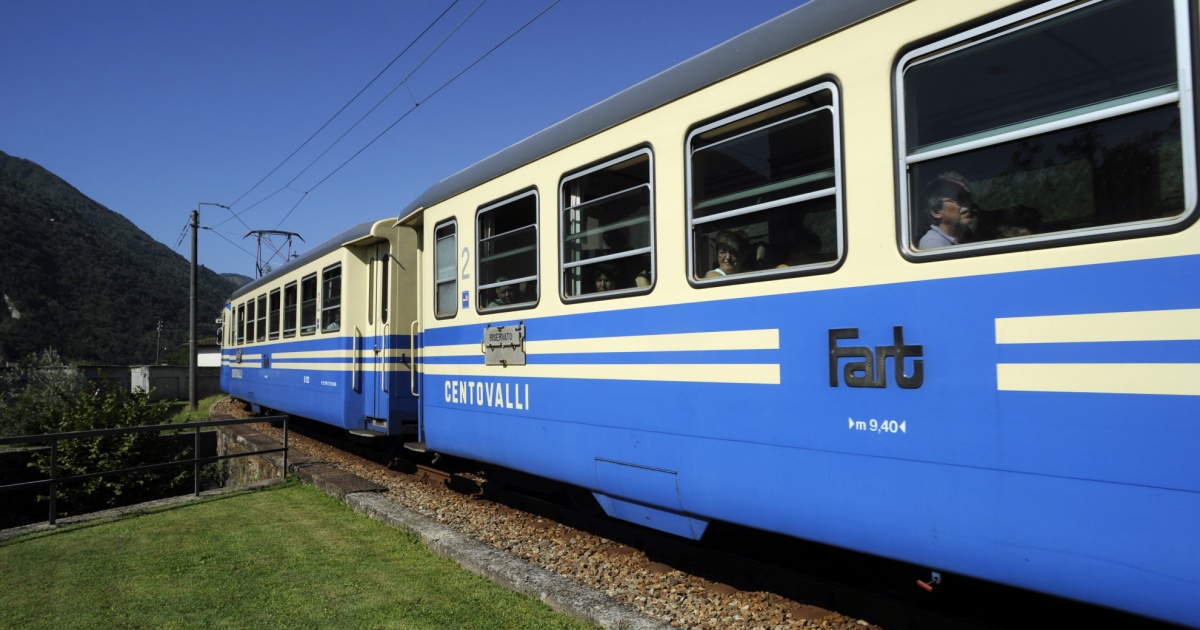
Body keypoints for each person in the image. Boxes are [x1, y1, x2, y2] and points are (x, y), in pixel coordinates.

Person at [918, 172, 976, 249]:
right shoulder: (934, 243)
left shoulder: (966, 236)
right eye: (958, 198)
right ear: (936, 211)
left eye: (967, 198)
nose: (966, 204)